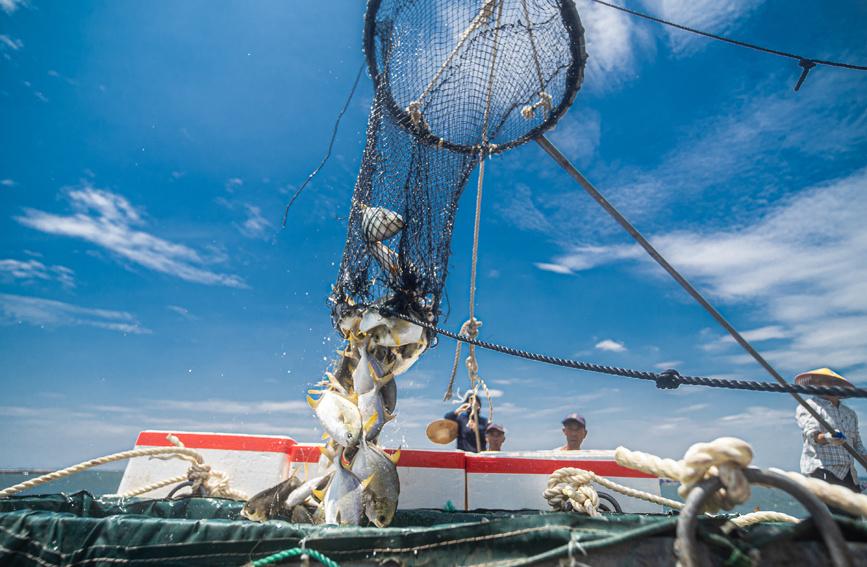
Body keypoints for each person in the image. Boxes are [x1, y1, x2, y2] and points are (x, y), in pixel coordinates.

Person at [795, 368, 867, 516]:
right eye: (814, 383)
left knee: (856, 515)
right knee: (843, 515)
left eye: (821, 382)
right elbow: (813, 435)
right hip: (823, 469)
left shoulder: (849, 413)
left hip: (848, 472)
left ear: (836, 385)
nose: (816, 385)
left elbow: (858, 445)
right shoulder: (809, 406)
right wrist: (828, 438)